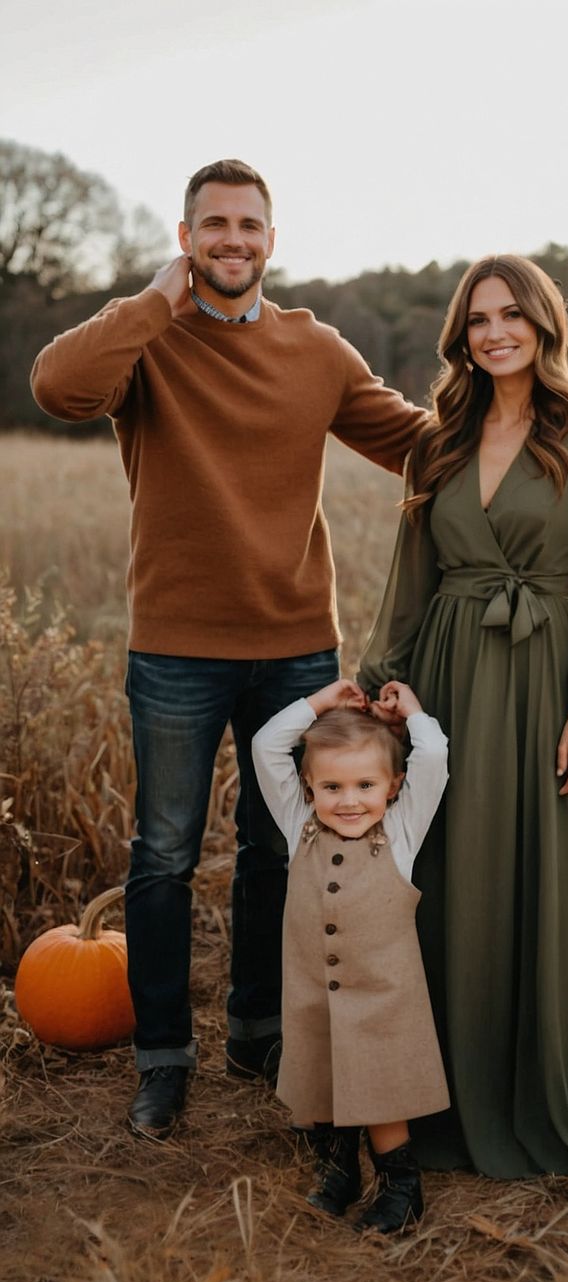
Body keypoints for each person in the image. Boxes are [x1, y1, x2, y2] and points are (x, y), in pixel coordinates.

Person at [30, 159, 432, 1140]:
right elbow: (57, 386)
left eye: (249, 224)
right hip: (175, 647)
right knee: (163, 855)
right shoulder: (146, 344)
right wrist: (155, 301)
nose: (232, 240)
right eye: (213, 225)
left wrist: (535, 431)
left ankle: (258, 1030)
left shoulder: (315, 349)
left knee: (276, 846)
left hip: (297, 646)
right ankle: (164, 1057)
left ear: (271, 239)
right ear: (186, 238)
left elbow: (416, 443)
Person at [358, 254, 568, 1178]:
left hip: (543, 672)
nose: (495, 332)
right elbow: (409, 581)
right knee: (445, 863)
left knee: (541, 864)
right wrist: (383, 682)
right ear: (460, 338)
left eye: (512, 315)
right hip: (448, 677)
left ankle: (551, 1077)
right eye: (478, 320)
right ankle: (437, 1085)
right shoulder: (436, 443)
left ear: (544, 326)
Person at [251, 677, 449, 1232]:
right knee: (317, 1085)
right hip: (313, 989)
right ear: (309, 787)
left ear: (393, 787)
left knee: (383, 1094)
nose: (350, 800)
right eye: (332, 786)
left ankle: (400, 1187)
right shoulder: (300, 827)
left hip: (383, 999)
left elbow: (433, 754)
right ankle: (337, 1172)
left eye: (365, 784)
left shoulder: (402, 832)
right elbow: (267, 745)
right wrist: (319, 704)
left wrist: (409, 713)